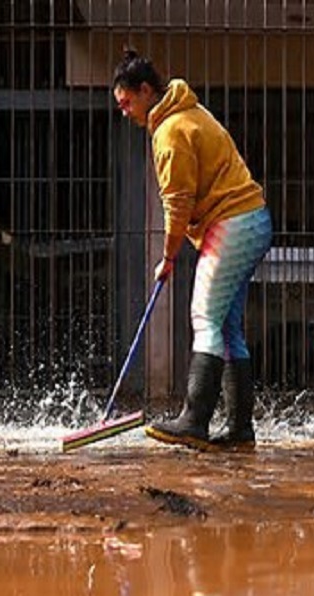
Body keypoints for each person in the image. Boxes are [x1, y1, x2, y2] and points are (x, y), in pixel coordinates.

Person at [112, 49, 273, 452]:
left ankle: (194, 420)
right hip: (251, 220)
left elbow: (177, 204)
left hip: (232, 223)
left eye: (127, 102)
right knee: (227, 327)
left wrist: (167, 258)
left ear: (146, 91)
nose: (125, 112)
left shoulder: (170, 131)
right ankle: (239, 429)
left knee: (204, 316)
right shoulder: (189, 112)